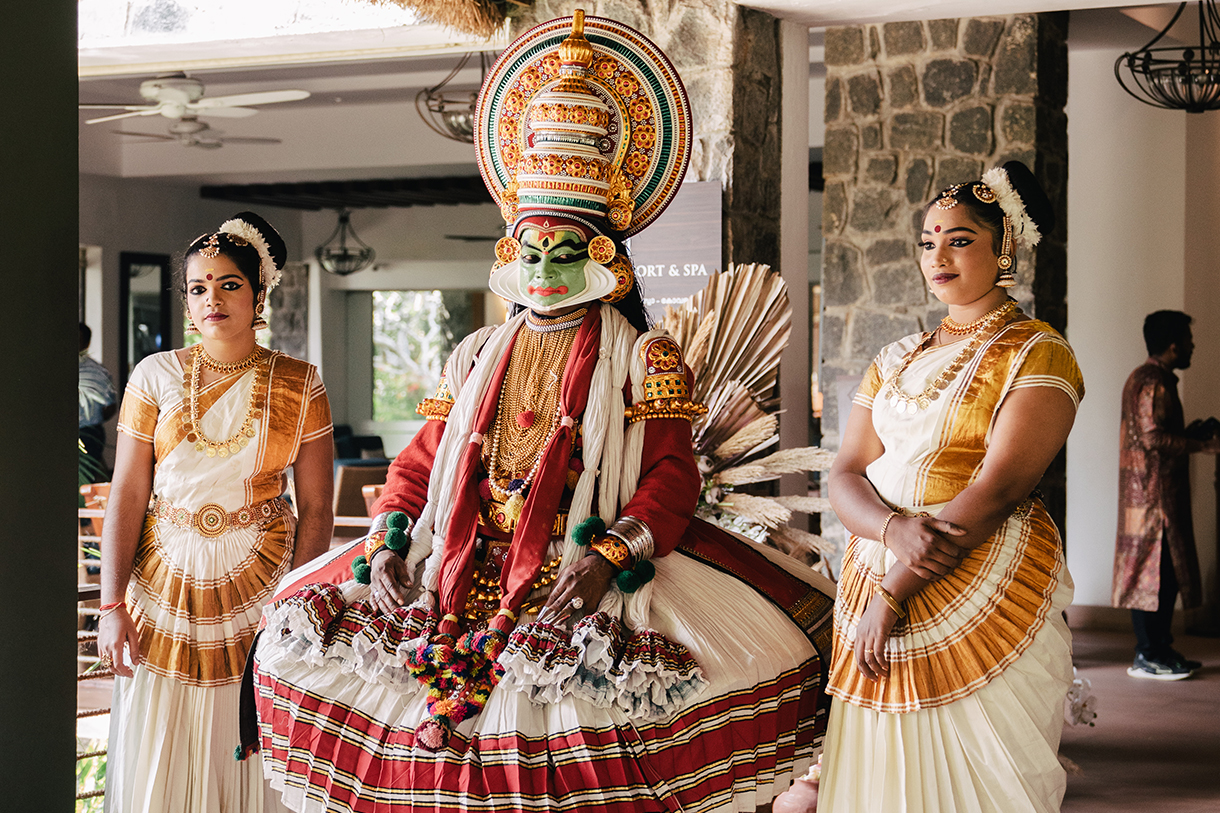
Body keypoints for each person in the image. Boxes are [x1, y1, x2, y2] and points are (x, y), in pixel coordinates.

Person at [250, 12, 835, 813]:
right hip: (453, 565)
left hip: (578, 566)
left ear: (606, 261)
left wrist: (603, 559)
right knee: (337, 681)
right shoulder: (474, 355)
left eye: (566, 253)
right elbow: (421, 466)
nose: (546, 270)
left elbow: (670, 478)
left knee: (572, 761)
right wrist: (387, 540)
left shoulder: (641, 357)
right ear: (508, 257)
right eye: (531, 252)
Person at [821, 162, 1084, 812]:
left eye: (960, 239)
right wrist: (890, 531)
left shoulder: (1037, 351)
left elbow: (997, 490)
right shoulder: (893, 357)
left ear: (1006, 249)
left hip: (977, 581)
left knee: (986, 783)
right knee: (880, 776)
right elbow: (846, 472)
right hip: (874, 573)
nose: (938, 254)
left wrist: (895, 588)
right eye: (927, 240)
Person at [97, 212, 334, 813]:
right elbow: (127, 490)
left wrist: (295, 606)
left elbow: (316, 507)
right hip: (163, 584)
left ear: (259, 294)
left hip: (264, 586)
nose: (212, 299)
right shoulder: (155, 376)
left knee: (251, 733)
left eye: (229, 284)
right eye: (199, 287)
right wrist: (109, 604)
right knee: (162, 736)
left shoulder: (301, 384)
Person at [1112, 310, 1220, 680]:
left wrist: (1190, 435)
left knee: (1164, 574)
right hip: (1152, 498)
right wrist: (1199, 446)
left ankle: (1160, 648)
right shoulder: (1153, 381)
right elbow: (1152, 437)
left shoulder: (1150, 379)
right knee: (1154, 574)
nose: (1193, 347)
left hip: (1152, 493)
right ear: (1174, 345)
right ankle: (1148, 654)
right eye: (1189, 341)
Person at [79, 321, 117, 477]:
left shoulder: (96, 371)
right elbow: (110, 406)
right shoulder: (98, 370)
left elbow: (110, 405)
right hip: (90, 431)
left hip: (88, 433)